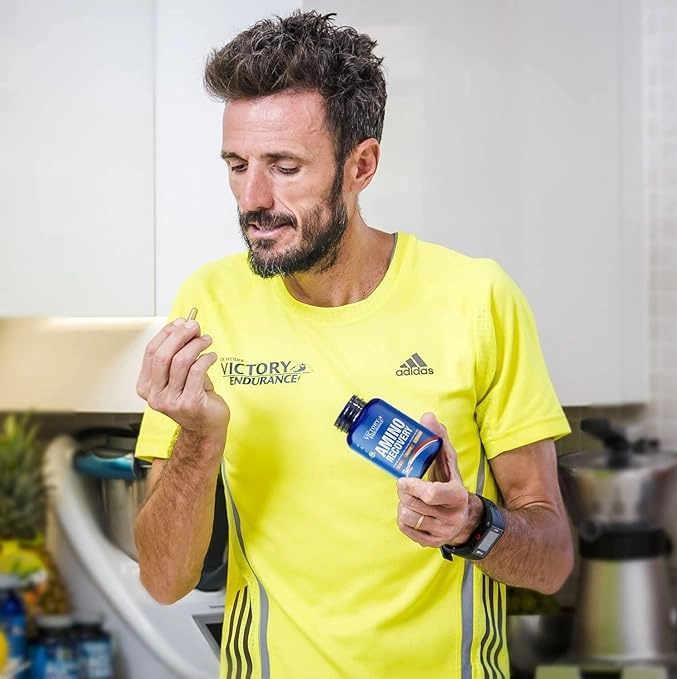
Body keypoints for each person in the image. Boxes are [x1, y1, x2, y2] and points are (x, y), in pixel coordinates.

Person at [133, 10, 574, 679]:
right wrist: (197, 440)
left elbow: (552, 560)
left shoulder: (476, 298)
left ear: (361, 164)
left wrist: (472, 526)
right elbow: (164, 580)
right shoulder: (208, 302)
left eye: (284, 167)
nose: (253, 198)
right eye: (237, 165)